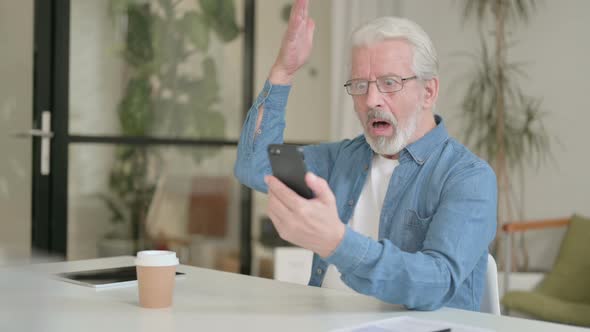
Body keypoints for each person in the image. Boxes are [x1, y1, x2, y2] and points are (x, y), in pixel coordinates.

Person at [234, 0, 497, 311]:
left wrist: (337, 243)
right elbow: (254, 167)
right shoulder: (342, 158)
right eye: (360, 85)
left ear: (428, 92)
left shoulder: (468, 177)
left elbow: (437, 284)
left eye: (389, 83)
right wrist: (283, 70)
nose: (372, 99)